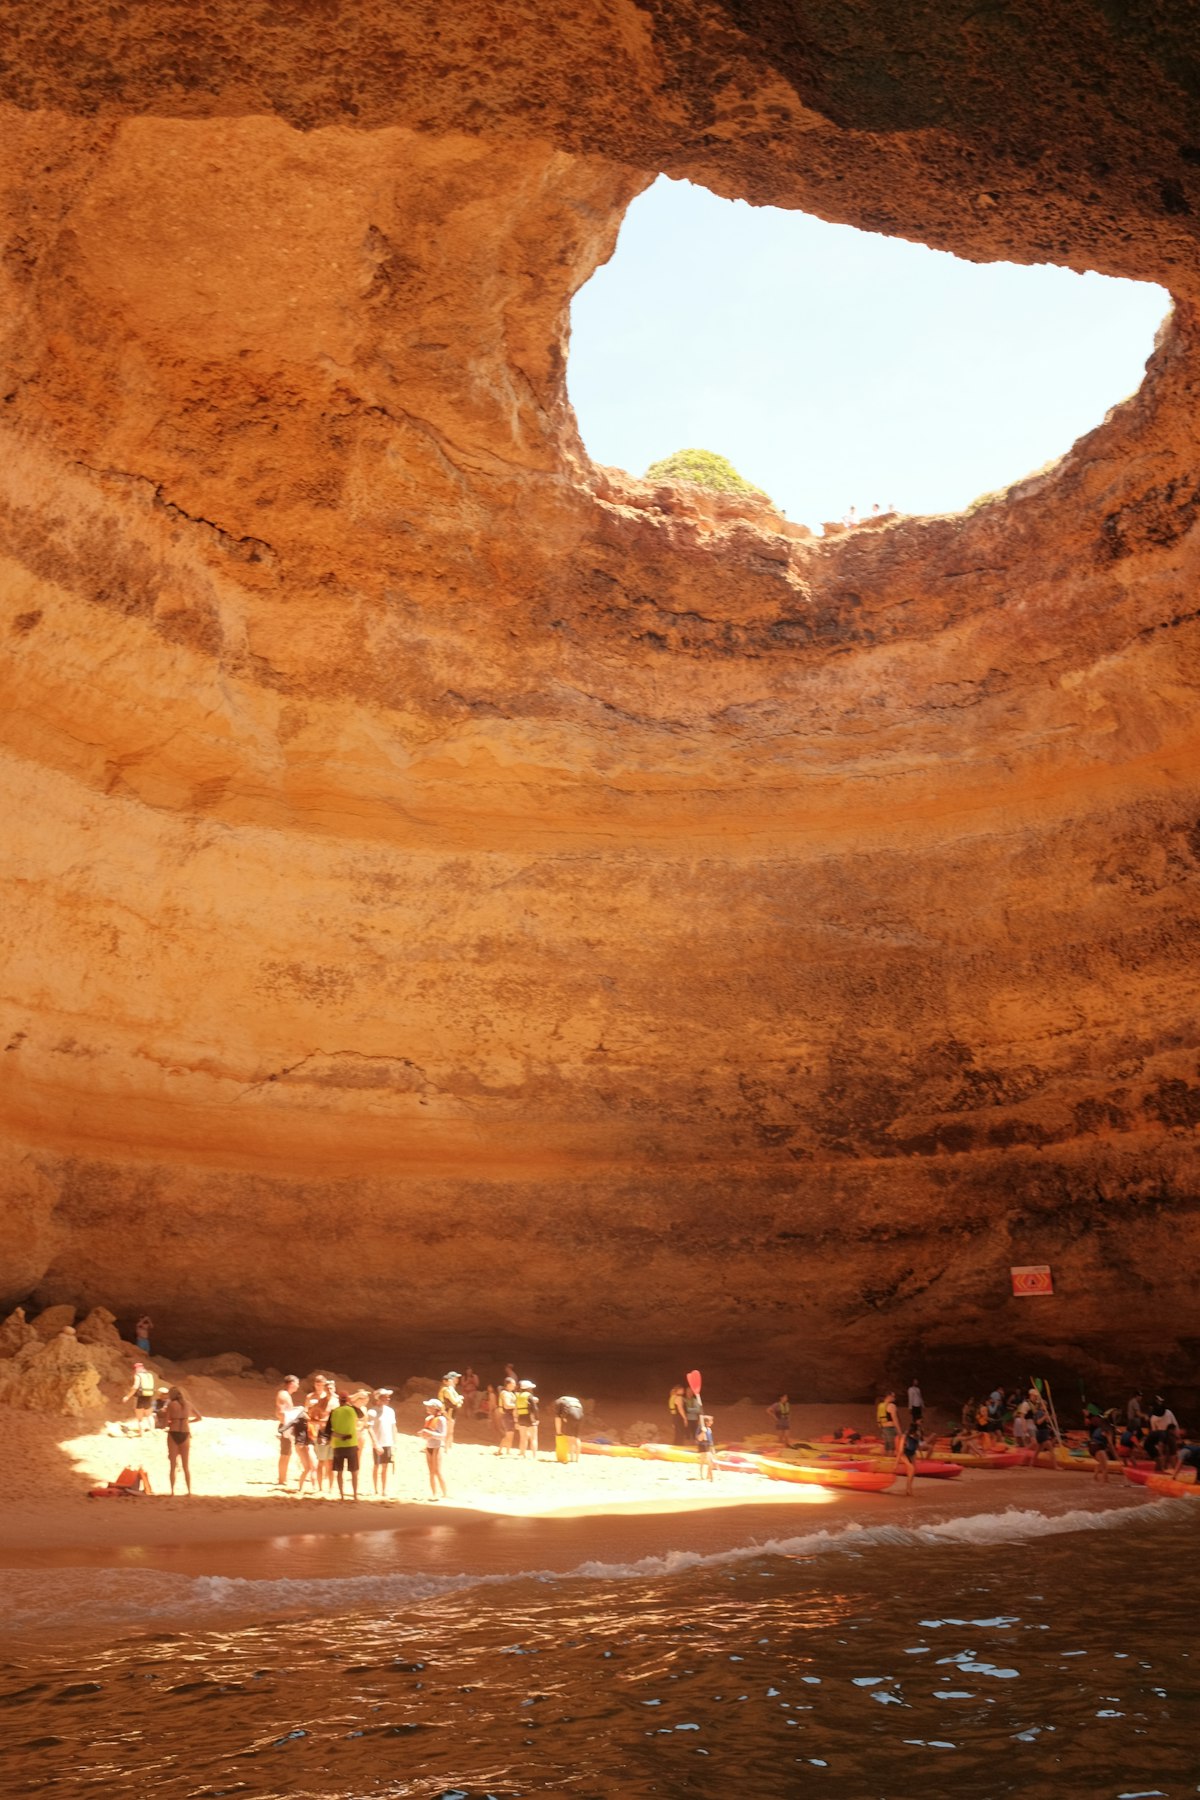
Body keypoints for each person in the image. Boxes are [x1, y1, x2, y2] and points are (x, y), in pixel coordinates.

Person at [162, 1387, 201, 1494]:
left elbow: (165, 1422)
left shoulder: (171, 1405)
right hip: (185, 1433)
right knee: (186, 1466)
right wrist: (188, 1422)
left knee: (173, 1465)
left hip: (173, 1433)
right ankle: (189, 1491)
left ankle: (172, 1492)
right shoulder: (188, 1404)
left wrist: (170, 1422)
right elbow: (199, 1417)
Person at [328, 1389, 363, 1500]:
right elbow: (361, 1414)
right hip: (352, 1444)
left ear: (339, 1400)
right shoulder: (352, 1410)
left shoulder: (334, 1412)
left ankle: (342, 1496)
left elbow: (328, 1431)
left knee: (339, 1472)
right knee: (354, 1472)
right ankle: (355, 1496)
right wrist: (351, 1402)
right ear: (347, 1400)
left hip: (338, 1445)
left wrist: (341, 1436)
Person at [307, 1373, 335, 1493]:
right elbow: (311, 1416)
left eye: (331, 1388)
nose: (329, 1390)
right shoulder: (319, 1402)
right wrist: (320, 1422)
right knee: (321, 1461)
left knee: (331, 1462)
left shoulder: (338, 1401)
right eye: (327, 1388)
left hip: (334, 1434)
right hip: (322, 1434)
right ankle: (320, 1488)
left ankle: (330, 1488)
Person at [369, 1388, 396, 1496]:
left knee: (385, 1467)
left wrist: (394, 1443)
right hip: (378, 1443)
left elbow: (394, 1427)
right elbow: (369, 1428)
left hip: (388, 1443)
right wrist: (375, 1443)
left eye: (388, 1397)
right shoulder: (372, 1411)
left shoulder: (390, 1411)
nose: (387, 1399)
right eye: (385, 1397)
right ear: (379, 1398)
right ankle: (376, 1489)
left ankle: (384, 1490)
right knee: (377, 1466)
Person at [275, 1376, 300, 1487]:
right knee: (285, 1453)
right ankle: (281, 1479)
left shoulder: (286, 1395)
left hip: (288, 1426)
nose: (298, 1385)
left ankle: (283, 1477)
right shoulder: (283, 1394)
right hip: (286, 1426)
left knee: (287, 1453)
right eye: (297, 1383)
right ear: (292, 1383)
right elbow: (280, 1412)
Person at [420, 1398, 448, 1499]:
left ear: (435, 1408)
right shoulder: (428, 1419)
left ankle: (445, 1493)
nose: (427, 1408)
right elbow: (427, 1434)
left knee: (437, 1471)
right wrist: (423, 1434)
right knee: (431, 1471)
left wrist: (429, 1434)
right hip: (429, 1446)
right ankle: (434, 1493)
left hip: (437, 1446)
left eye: (429, 1406)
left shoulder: (441, 1419)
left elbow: (443, 1435)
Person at [122, 1361, 157, 1434]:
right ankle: (153, 1431)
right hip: (149, 1396)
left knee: (140, 1418)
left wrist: (127, 1397)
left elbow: (135, 1387)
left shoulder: (138, 1375)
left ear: (136, 1369)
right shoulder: (149, 1375)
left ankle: (141, 1433)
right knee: (149, 1415)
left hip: (140, 1397)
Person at [439, 1372, 465, 1449]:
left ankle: (448, 1446)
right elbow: (455, 1401)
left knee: (450, 1430)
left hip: (451, 1411)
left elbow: (457, 1401)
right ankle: (446, 1448)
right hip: (448, 1411)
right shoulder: (446, 1389)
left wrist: (459, 1400)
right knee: (448, 1430)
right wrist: (460, 1398)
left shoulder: (450, 1389)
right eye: (455, 1378)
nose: (457, 1379)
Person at [896, 1417, 921, 1496]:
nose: (919, 1431)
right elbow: (900, 1451)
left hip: (912, 1453)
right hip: (904, 1454)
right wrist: (896, 1463)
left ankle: (909, 1488)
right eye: (917, 1429)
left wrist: (921, 1455)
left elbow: (917, 1446)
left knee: (912, 1472)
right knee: (911, 1468)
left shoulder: (917, 1436)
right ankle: (908, 1489)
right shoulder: (905, 1437)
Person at [555, 1395, 584, 1462]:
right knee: (576, 1437)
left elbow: (557, 1418)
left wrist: (558, 1432)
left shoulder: (558, 1402)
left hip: (571, 1413)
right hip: (580, 1414)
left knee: (570, 1438)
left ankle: (571, 1458)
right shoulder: (574, 1400)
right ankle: (577, 1459)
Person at [515, 1380, 539, 1457]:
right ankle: (534, 1455)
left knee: (523, 1438)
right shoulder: (529, 1396)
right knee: (534, 1438)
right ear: (528, 1388)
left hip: (521, 1418)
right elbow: (535, 1408)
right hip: (530, 1418)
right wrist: (537, 1418)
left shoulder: (518, 1396)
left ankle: (523, 1453)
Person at [1089, 1414, 1114, 1483]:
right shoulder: (1108, 1430)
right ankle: (1105, 1480)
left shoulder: (1098, 1429)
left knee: (1101, 1463)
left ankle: (1095, 1477)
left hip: (1091, 1447)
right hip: (1098, 1447)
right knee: (1105, 1465)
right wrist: (1116, 1455)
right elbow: (1111, 1444)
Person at [495, 1376, 517, 1454]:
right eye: (513, 1383)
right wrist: (517, 1406)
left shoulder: (509, 1393)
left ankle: (505, 1450)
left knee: (510, 1434)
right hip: (507, 1415)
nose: (515, 1385)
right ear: (508, 1384)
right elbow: (507, 1405)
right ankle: (501, 1450)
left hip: (509, 1415)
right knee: (509, 1434)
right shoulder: (506, 1393)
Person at [878, 1390, 900, 1457]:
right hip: (890, 1428)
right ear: (889, 1396)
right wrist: (899, 1430)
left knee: (887, 1446)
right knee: (892, 1447)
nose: (894, 1398)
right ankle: (890, 1461)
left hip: (884, 1428)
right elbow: (895, 1419)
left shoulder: (880, 1405)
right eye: (893, 1396)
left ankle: (885, 1461)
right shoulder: (892, 1406)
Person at [696, 1413, 716, 1481]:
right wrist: (703, 1432)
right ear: (706, 1422)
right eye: (711, 1421)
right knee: (702, 1461)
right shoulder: (700, 1429)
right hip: (702, 1446)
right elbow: (699, 1439)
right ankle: (701, 1475)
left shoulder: (709, 1430)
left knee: (711, 1461)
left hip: (708, 1446)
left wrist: (712, 1448)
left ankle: (709, 1475)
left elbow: (711, 1440)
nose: (712, 1423)